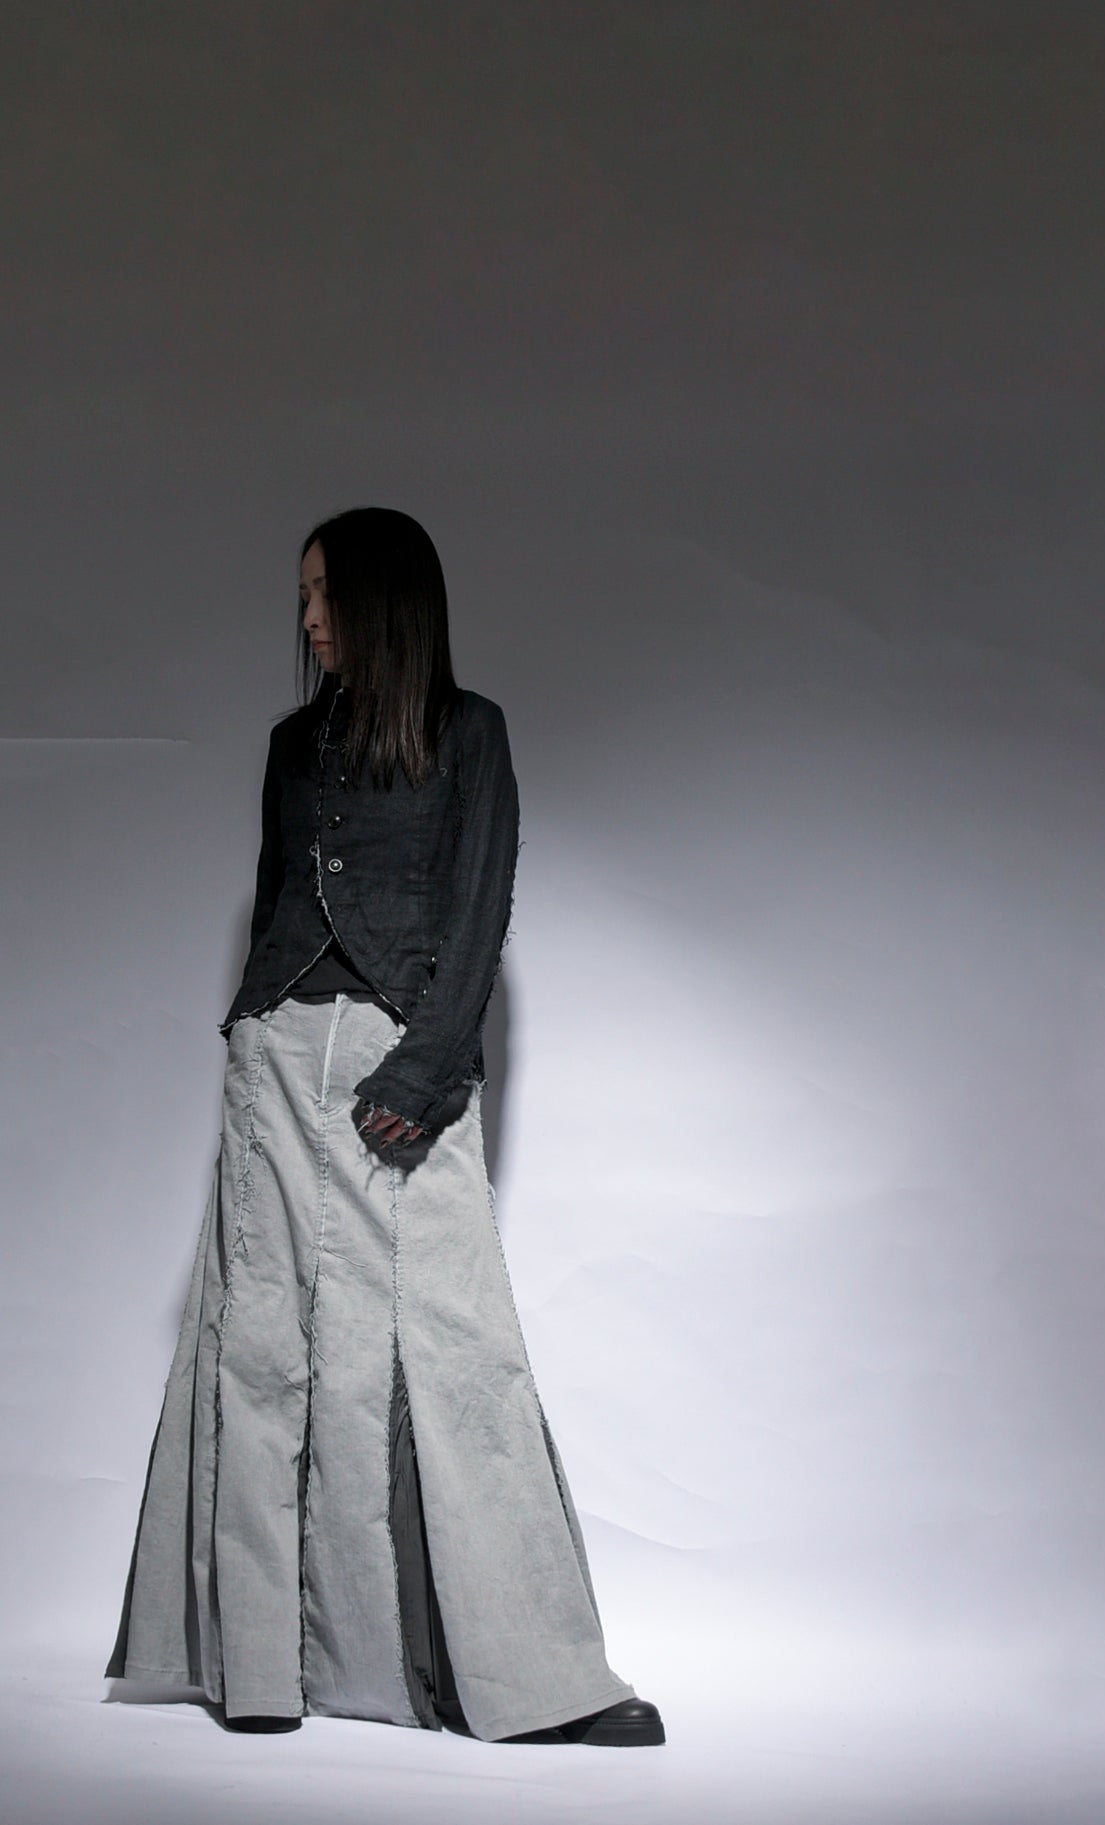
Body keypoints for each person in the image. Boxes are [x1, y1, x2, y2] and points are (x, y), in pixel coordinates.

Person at [104, 506, 665, 1747]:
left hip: (398, 1062)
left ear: (384, 599)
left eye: (324, 594)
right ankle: (260, 1667)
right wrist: (251, 1034)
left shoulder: (470, 733)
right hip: (273, 1059)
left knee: (456, 1351)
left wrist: (421, 1072)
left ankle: (535, 1679)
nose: (307, 619)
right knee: (261, 1346)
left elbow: (479, 908)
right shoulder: (289, 744)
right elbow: (275, 903)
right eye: (301, 596)